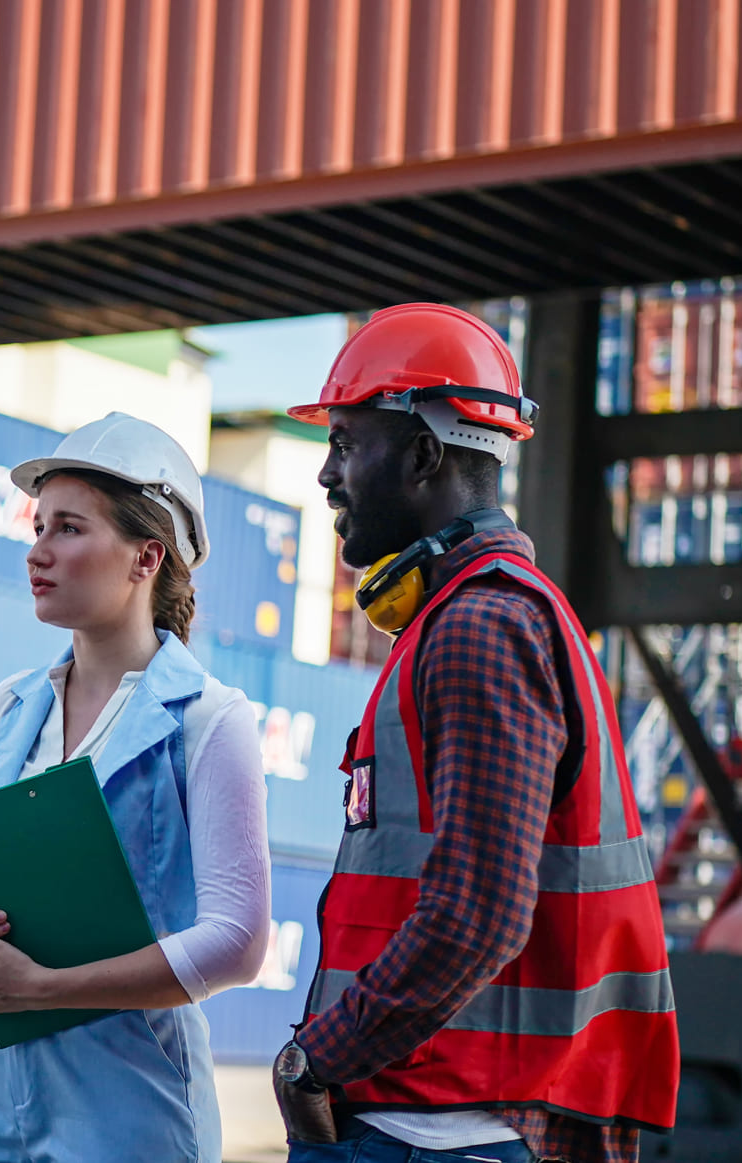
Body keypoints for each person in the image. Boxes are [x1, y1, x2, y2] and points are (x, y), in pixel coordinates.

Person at [270, 305, 679, 1163]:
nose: (326, 475)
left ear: (423, 453)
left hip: (439, 1131)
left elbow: (477, 914)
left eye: (346, 443)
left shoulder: (479, 627)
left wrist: (316, 1061)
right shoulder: (475, 616)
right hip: (442, 1119)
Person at [0, 412, 272, 1163]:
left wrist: (43, 987)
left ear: (147, 556)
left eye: (69, 529)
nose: (37, 551)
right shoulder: (8, 709)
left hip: (131, 1116)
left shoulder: (211, 721)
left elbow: (239, 942)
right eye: (38, 525)